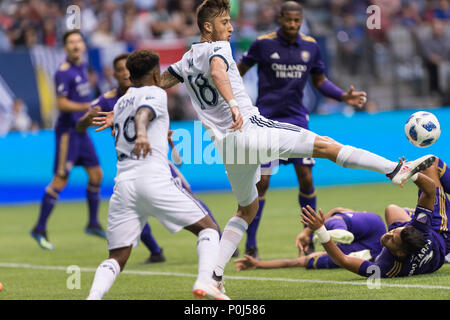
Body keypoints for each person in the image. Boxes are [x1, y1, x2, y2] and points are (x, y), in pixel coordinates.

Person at [157, 0, 435, 298]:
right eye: (225, 22)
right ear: (209, 27)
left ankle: (214, 276)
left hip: (228, 147)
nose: (231, 27)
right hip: (250, 129)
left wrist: (131, 102)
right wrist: (234, 104)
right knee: (327, 146)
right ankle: (395, 169)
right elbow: (218, 72)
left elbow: (160, 82)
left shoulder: (185, 60)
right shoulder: (219, 49)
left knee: (247, 208)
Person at [86, 49, 229, 300]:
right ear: (155, 72)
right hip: (152, 178)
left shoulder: (120, 103)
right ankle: (205, 281)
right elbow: (144, 113)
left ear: (130, 75)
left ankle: (93, 297)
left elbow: (138, 114)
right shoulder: (156, 92)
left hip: (123, 186)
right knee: (209, 230)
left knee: (117, 257)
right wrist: (141, 133)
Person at [236, 1, 367, 258]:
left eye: (297, 21)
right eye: (288, 20)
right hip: (266, 120)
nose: (293, 25)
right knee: (262, 181)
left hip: (297, 120)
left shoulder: (310, 46)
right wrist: (234, 102)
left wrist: (343, 97)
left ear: (301, 19)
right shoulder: (262, 43)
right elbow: (238, 71)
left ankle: (308, 238)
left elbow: (319, 80)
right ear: (280, 18)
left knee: (306, 177)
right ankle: (251, 245)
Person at [301, 155, 450, 278]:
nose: (388, 234)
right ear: (400, 253)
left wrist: (320, 229)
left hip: (428, 240)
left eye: (392, 236)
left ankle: (411, 211)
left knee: (391, 209)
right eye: (392, 233)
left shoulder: (387, 265)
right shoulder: (417, 232)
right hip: (441, 235)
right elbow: (430, 190)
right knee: (431, 163)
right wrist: (411, 173)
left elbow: (343, 260)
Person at [30, 30, 105, 251]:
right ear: (65, 47)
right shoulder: (63, 72)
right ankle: (39, 228)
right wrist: (87, 107)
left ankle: (92, 223)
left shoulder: (82, 67)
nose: (75, 46)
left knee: (96, 174)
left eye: (78, 42)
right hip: (67, 133)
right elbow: (61, 104)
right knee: (60, 180)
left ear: (83, 46)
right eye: (71, 42)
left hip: (81, 132)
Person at [233, 208, 386, 271]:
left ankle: (333, 231)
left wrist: (258, 264)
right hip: (374, 237)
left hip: (366, 249)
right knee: (340, 218)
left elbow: (295, 262)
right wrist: (307, 232)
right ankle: (334, 230)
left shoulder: (342, 255)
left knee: (336, 253)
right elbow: (335, 210)